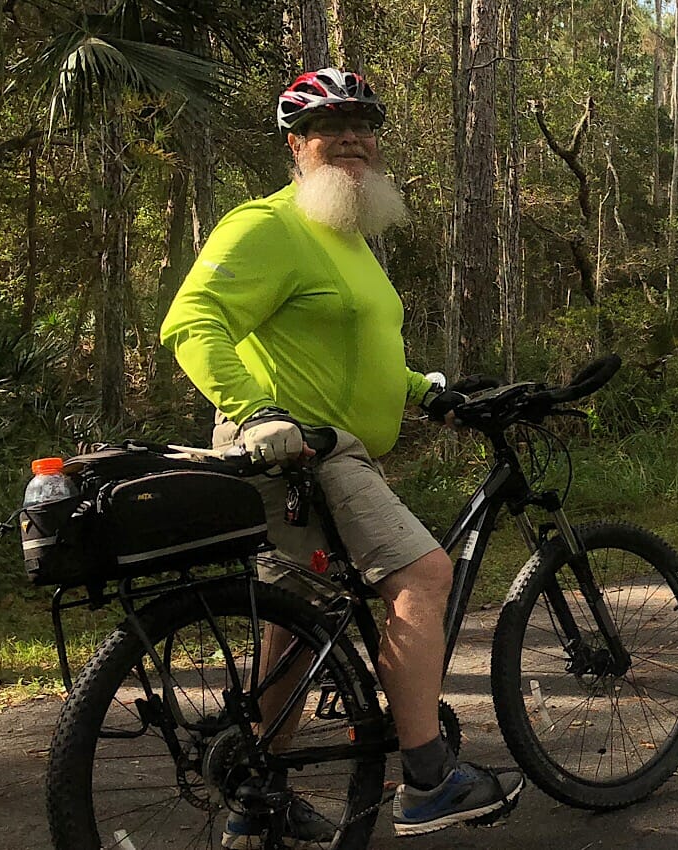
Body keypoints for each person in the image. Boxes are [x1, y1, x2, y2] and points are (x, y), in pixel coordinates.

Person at [160, 68, 524, 846]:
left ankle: (258, 796)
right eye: (331, 126)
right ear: (297, 146)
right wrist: (256, 410)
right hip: (304, 448)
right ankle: (428, 776)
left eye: (364, 125)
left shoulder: (351, 239)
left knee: (297, 620)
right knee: (424, 574)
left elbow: (358, 353)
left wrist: (429, 392)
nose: (353, 137)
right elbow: (193, 322)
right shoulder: (267, 226)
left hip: (328, 448)